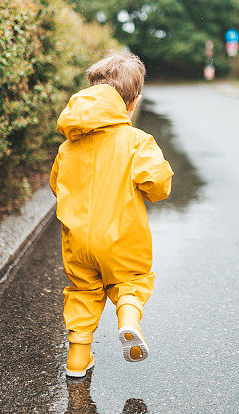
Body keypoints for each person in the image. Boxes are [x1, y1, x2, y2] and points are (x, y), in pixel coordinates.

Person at [50, 50, 173, 378]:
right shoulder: (136, 141)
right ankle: (129, 321)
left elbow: (56, 186)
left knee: (83, 293)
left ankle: (77, 360)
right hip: (121, 237)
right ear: (133, 103)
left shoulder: (68, 146)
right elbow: (159, 186)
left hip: (77, 241)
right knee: (132, 281)